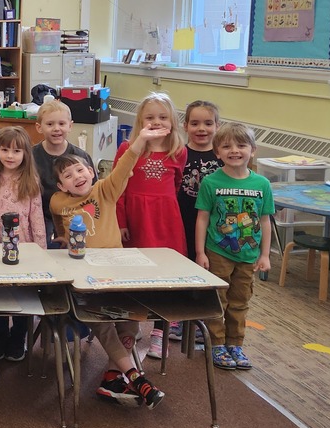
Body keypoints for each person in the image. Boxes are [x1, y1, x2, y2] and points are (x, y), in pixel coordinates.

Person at [50, 123, 169, 409]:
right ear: (60, 185)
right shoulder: (57, 202)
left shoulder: (105, 190)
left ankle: (116, 376)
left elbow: (125, 164)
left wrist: (139, 140)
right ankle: (135, 377)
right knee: (100, 320)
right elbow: (59, 229)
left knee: (131, 317)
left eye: (80, 170)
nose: (76, 177)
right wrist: (64, 238)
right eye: (68, 175)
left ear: (91, 172)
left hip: (116, 269)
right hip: (83, 275)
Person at [113, 92, 187, 359]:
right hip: (135, 218)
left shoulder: (178, 151)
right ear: (140, 121)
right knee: (134, 274)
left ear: (172, 121)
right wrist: (121, 221)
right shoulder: (128, 148)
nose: (156, 122)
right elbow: (117, 188)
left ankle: (161, 331)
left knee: (164, 277)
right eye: (150, 117)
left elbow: (175, 186)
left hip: (165, 220)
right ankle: (132, 323)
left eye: (163, 117)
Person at [195, 122, 273, 372]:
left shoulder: (262, 185)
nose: (234, 151)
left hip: (248, 254)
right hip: (218, 251)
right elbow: (203, 218)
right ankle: (216, 343)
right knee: (218, 298)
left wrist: (265, 254)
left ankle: (235, 343)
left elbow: (264, 220)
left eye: (241, 145)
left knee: (240, 300)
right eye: (226, 146)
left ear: (253, 150)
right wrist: (200, 252)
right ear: (217, 152)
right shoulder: (211, 182)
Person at [0, 126, 45, 361]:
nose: (10, 155)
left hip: (23, 251)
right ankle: (0, 335)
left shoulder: (30, 181)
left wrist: (41, 252)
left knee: (23, 298)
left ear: (25, 153)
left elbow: (36, 218)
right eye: (5, 150)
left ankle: (18, 337)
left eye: (16, 151)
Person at [173, 100, 223, 344]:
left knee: (207, 269)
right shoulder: (179, 154)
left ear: (217, 125)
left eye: (208, 123)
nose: (201, 128)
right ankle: (178, 318)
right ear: (185, 126)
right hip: (183, 219)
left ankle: (203, 320)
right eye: (195, 123)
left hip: (213, 225)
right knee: (183, 268)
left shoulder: (223, 157)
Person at [31, 99, 95, 247]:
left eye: (61, 124)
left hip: (75, 211)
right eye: (50, 124)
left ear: (70, 126)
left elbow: (93, 189)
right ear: (39, 127)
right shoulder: (31, 156)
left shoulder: (81, 157)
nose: (56, 129)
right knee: (43, 247)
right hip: (41, 213)